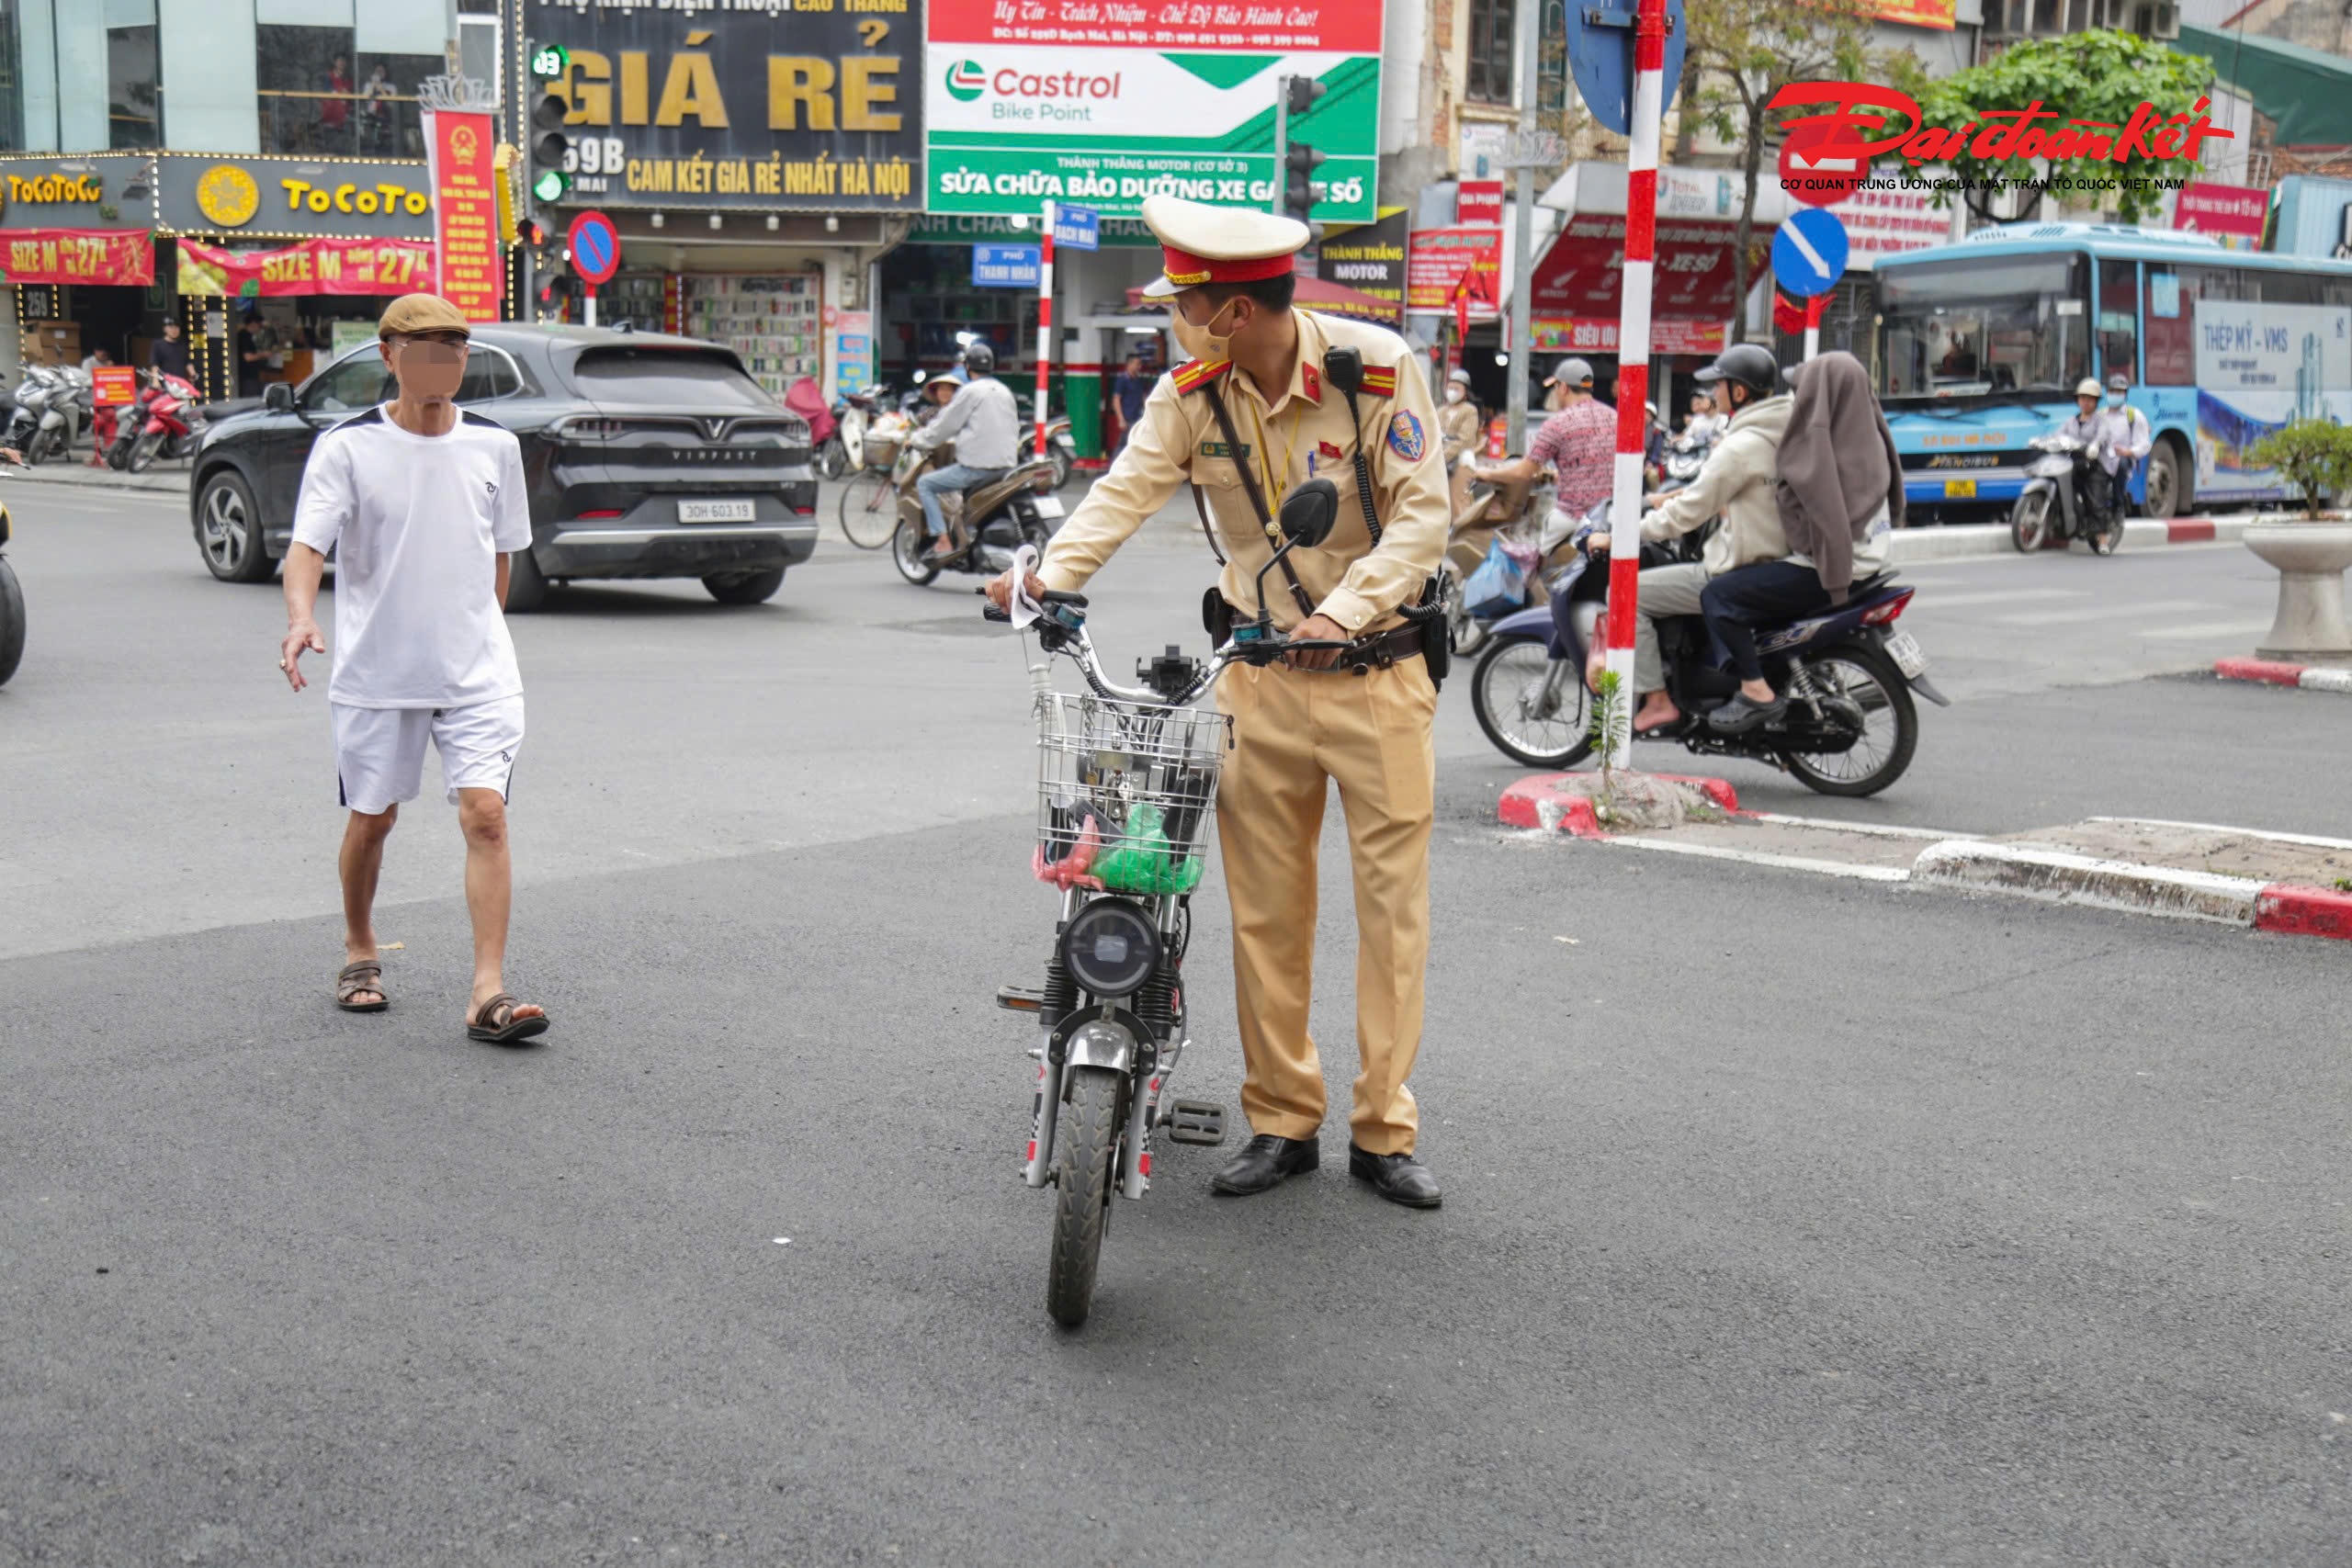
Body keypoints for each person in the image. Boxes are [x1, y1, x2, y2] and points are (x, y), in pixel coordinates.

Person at [985, 193, 1449, 1209]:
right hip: (1258, 680)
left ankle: (1384, 1128)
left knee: (1391, 916)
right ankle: (1283, 1118)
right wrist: (1044, 578)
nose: (1175, 320)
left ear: (1235, 311)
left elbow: (1423, 520)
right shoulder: (1192, 394)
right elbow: (1122, 492)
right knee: (1266, 915)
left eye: (1185, 304)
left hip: (1378, 674)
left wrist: (1343, 611)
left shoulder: (1374, 372)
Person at [277, 293, 548, 1043]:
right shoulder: (347, 447)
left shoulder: (495, 446)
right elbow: (308, 548)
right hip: (378, 673)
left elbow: (499, 559)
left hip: (477, 674)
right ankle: (360, 947)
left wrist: (479, 635)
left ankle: (488, 991)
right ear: (389, 357)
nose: (442, 363)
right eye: (426, 349)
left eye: (454, 349)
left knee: (486, 815)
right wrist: (302, 617)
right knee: (374, 819)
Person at [1698, 351, 1903, 735]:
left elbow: (1817, 504)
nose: (1798, 396)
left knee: (1719, 596)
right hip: (1870, 561)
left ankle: (1755, 690)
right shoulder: (1868, 437)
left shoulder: (1823, 447)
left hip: (1832, 569)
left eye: (1804, 389)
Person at [1601, 341, 1793, 732]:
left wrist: (1627, 535)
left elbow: (1689, 513)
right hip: (1779, 561)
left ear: (1739, 391)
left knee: (1627, 594)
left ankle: (1657, 700)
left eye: (1719, 385)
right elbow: (1712, 493)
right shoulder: (1786, 430)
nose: (1712, 393)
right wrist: (1670, 498)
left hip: (1737, 566)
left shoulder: (1740, 446)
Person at [911, 340, 1019, 562]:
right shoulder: (1004, 391)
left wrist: (916, 440)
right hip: (1007, 466)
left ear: (968, 367)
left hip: (977, 468)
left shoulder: (970, 391)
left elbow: (944, 427)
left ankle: (943, 540)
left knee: (925, 484)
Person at [1480, 356, 1614, 528]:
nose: (1555, 393)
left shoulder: (1558, 423)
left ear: (1564, 388)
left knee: (1544, 537)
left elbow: (1523, 472)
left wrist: (1487, 474)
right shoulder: (1614, 418)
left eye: (1555, 387)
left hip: (1573, 518)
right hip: (1610, 516)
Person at [2098, 371, 2152, 524]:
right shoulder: (2100, 415)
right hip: (2102, 457)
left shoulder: (2134, 416)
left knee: (2120, 465)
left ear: (2125, 394)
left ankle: (2119, 505)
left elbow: (2144, 444)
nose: (2115, 394)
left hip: (2123, 459)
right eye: (2112, 391)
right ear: (2107, 392)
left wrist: (2128, 452)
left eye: (2119, 392)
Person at [1113, 354, 1150, 451]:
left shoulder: (1139, 381)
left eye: (1140, 364)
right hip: (1127, 419)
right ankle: (1116, 460)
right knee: (1124, 445)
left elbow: (1143, 397)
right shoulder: (1122, 380)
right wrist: (1121, 419)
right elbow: (1116, 400)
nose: (1139, 367)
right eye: (1137, 364)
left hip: (1138, 418)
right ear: (1130, 364)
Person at [320, 54, 354, 147]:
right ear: (335, 62)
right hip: (331, 115)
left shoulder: (349, 78)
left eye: (344, 61)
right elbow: (327, 91)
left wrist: (348, 94)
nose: (342, 63)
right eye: (339, 60)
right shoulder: (328, 76)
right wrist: (340, 92)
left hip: (345, 117)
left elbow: (352, 95)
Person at [236, 312, 266, 400]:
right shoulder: (245, 336)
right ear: (253, 324)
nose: (260, 328)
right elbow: (248, 357)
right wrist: (263, 354)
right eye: (260, 325)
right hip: (248, 376)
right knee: (251, 399)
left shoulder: (245, 335)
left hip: (248, 376)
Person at [149, 319, 188, 383]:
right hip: (165, 383)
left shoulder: (183, 345)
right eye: (171, 327)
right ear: (164, 329)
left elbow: (187, 362)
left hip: (181, 384)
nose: (174, 330)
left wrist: (193, 374)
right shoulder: (158, 344)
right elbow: (154, 364)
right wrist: (155, 380)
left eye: (177, 327)